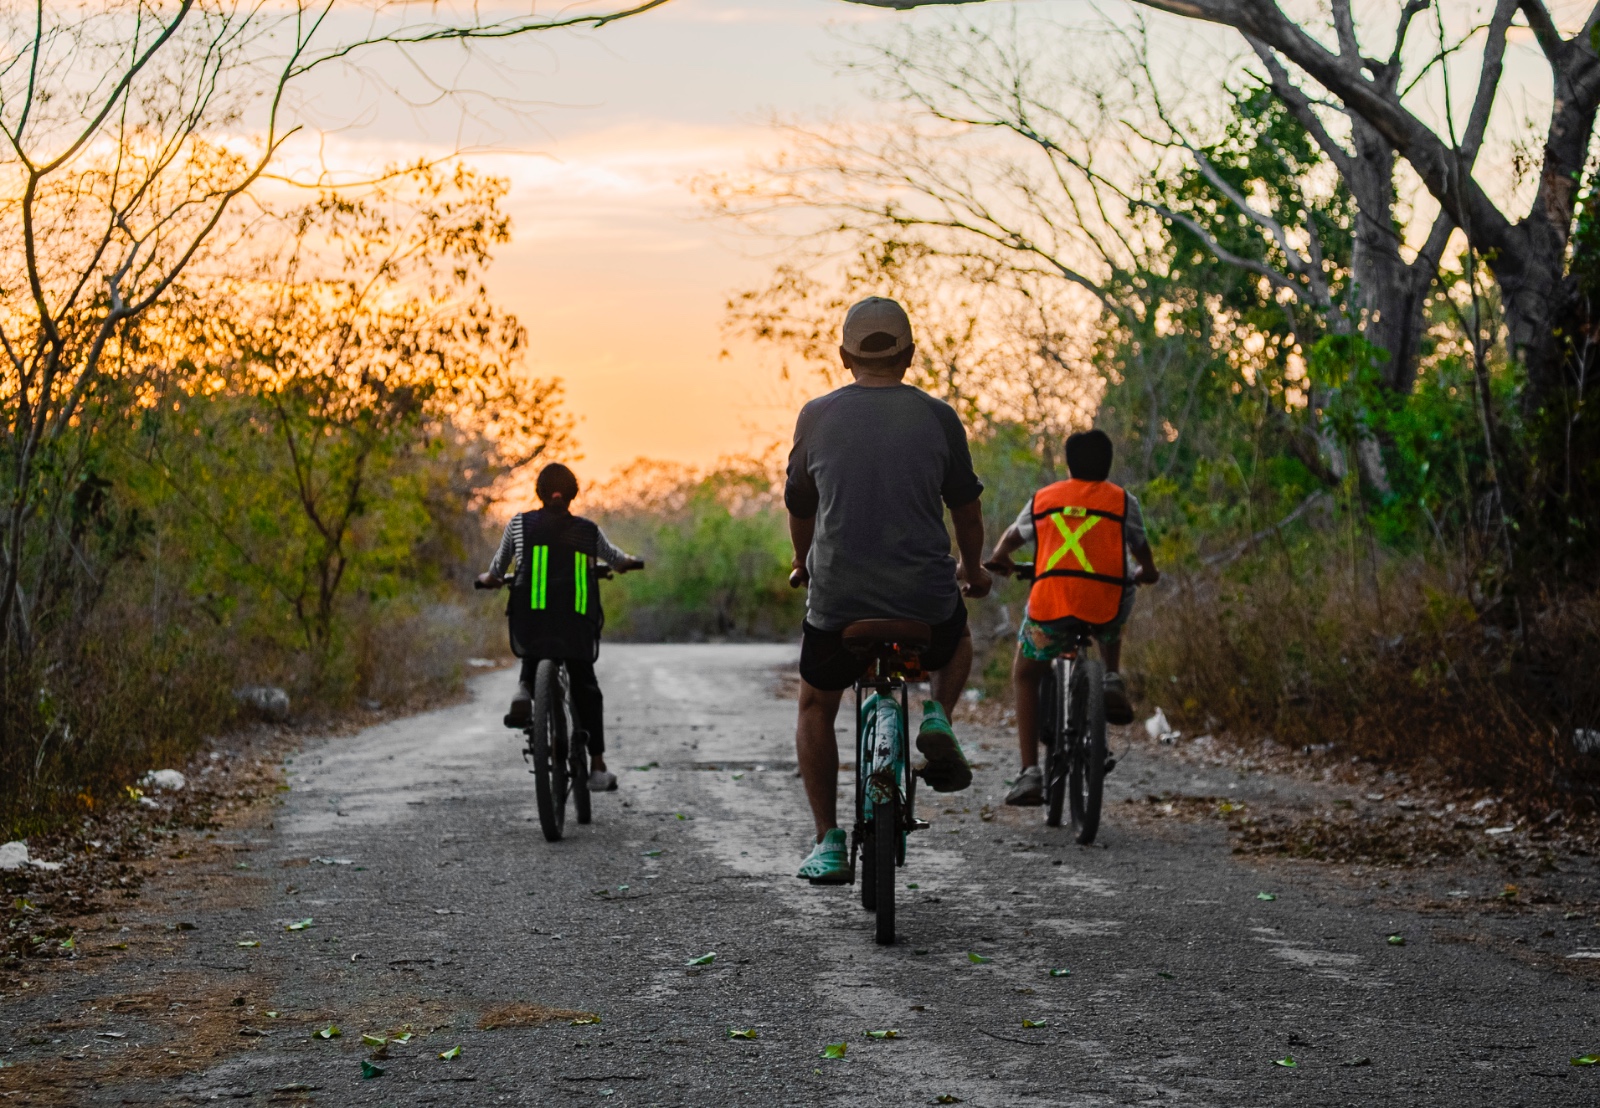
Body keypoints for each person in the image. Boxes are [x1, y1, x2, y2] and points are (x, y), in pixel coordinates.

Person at [785, 296, 992, 884]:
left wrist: (803, 562)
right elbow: (967, 510)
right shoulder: (938, 416)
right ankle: (937, 715)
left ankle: (828, 840)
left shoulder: (816, 416)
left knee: (815, 704)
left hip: (838, 602)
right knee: (957, 644)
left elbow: (801, 504)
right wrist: (972, 569)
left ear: (844, 354)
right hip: (925, 599)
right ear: (910, 354)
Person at [985, 429, 1159, 806]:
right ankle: (1110, 674)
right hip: (1104, 607)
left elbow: (1013, 536)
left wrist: (999, 558)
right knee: (1121, 592)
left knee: (1025, 674)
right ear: (1109, 465)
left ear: (1068, 464)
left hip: (1052, 609)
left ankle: (1030, 771)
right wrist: (1148, 570)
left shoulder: (1045, 499)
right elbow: (1140, 547)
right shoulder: (1123, 501)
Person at [478, 463, 643, 793]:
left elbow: (498, 570)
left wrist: (488, 580)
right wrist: (627, 563)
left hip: (531, 620)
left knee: (535, 646)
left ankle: (524, 689)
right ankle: (596, 767)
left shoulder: (519, 526)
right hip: (575, 623)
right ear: (572, 494)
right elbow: (614, 558)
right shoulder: (587, 530)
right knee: (585, 684)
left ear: (539, 493)